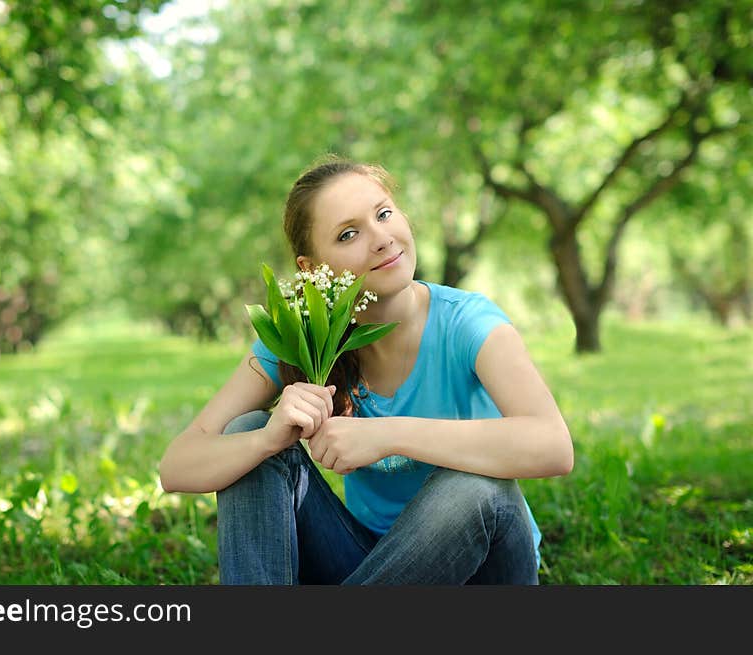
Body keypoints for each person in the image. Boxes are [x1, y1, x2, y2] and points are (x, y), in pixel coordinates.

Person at [159, 157, 574, 584]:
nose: (381, 239)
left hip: (481, 570)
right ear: (312, 269)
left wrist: (388, 434)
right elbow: (177, 466)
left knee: (477, 489)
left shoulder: (468, 323)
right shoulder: (301, 339)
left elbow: (553, 445)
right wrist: (267, 439)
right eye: (348, 234)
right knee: (246, 431)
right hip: (369, 565)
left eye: (384, 213)